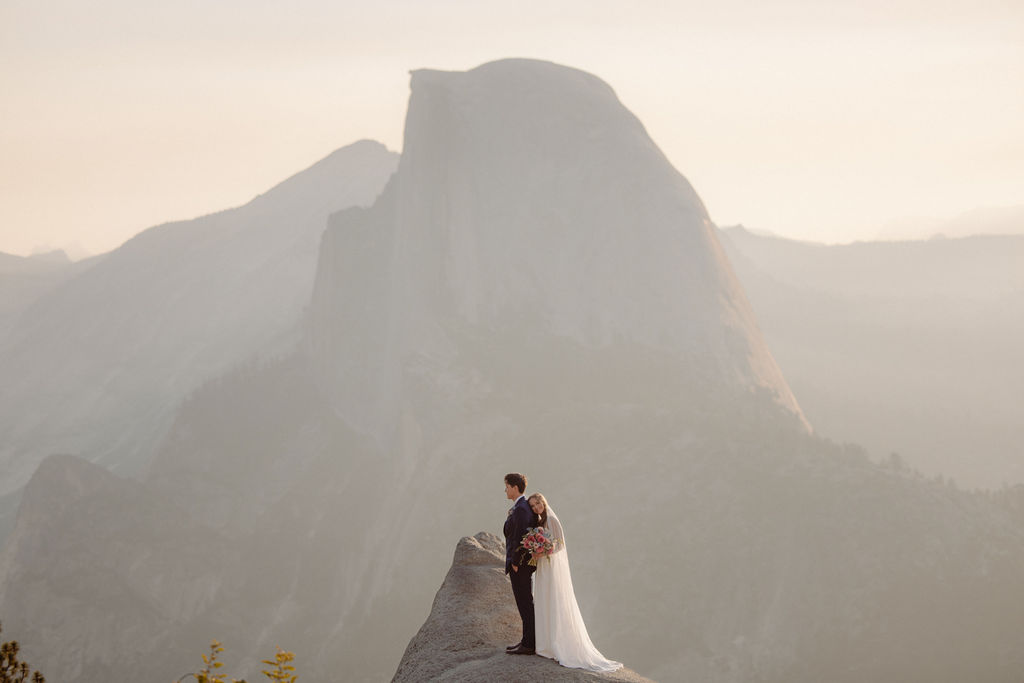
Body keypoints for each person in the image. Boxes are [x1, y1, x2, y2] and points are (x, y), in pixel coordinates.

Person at [527, 493, 623, 672]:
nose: (535, 508)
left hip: (551, 565)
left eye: (537, 504)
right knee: (543, 599)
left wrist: (542, 551)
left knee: (553, 599)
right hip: (543, 566)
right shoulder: (540, 522)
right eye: (532, 506)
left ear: (543, 502)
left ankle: (557, 643)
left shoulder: (552, 520)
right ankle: (545, 644)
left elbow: (560, 544)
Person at [502, 473, 536, 655]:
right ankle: (526, 640)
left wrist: (515, 562)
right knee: (524, 603)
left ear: (515, 487)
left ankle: (529, 644)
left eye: (506, 486)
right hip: (520, 564)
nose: (505, 490)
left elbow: (522, 537)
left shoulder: (522, 509)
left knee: (525, 603)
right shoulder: (520, 507)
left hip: (520, 565)